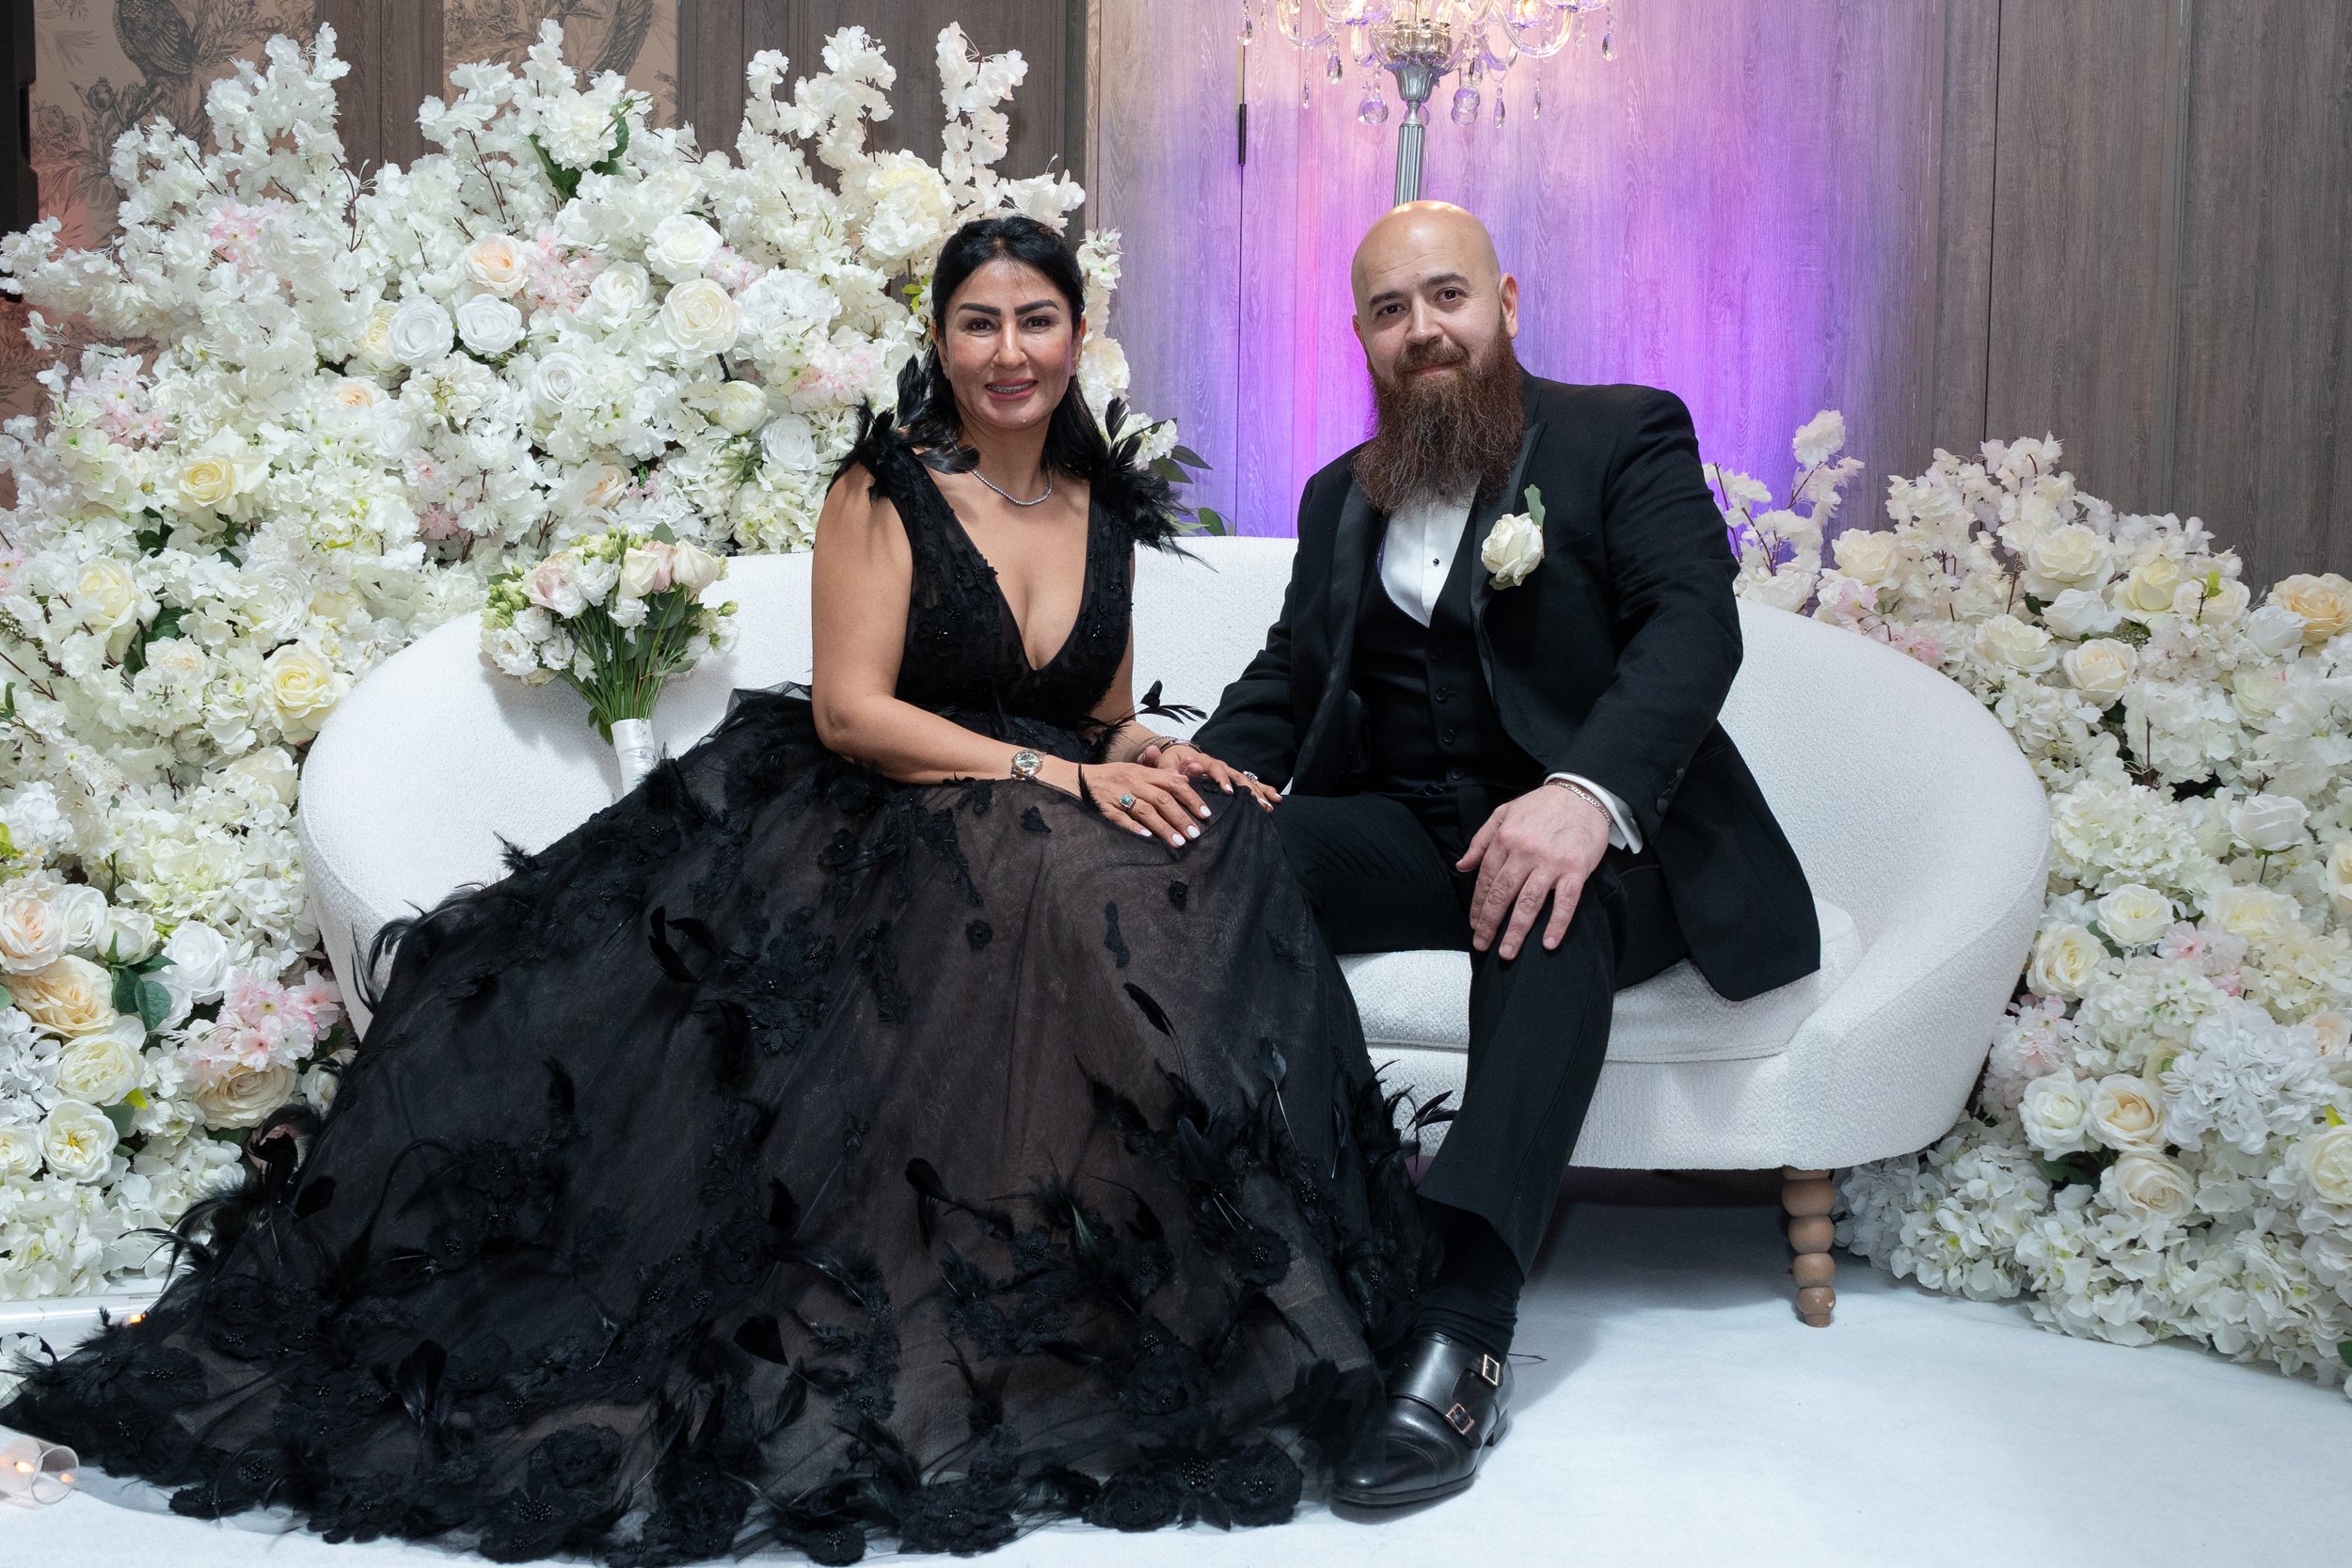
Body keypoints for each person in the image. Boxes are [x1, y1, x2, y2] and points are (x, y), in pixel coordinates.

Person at [2, 215, 1425, 1563]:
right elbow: (857, 713)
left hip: (1032, 819)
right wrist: (1059, 781)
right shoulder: (886, 489)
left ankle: (1154, 1288)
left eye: (1037, 322)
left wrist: (1140, 750)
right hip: (877, 816)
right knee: (1049, 867)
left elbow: (1097, 707)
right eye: (979, 323)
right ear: (942, 340)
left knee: (1216, 837)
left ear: (1076, 336)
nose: (1010, 351)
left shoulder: (1098, 506)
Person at [1176, 201, 1821, 1508]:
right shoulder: (1335, 494)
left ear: (1507, 302)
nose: (1425, 330)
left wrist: (1586, 792)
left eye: (1447, 296)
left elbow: (1690, 631)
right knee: (1232, 854)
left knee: (1541, 897)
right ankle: (1278, 1235)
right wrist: (1217, 765)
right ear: (1360, 334)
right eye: (1391, 309)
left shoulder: (1621, 434)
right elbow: (1296, 673)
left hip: (1618, 846)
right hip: (1417, 822)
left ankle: (1465, 1322)